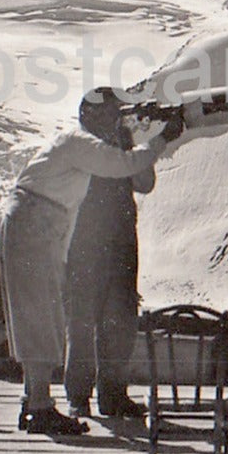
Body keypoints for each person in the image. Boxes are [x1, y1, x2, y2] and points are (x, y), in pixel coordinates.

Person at [0, 88, 182, 435]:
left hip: (69, 229)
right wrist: (162, 139)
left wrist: (134, 141)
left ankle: (37, 400)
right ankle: (48, 404)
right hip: (60, 231)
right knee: (51, 315)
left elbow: (141, 179)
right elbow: (126, 166)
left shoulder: (82, 143)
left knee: (44, 314)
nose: (119, 120)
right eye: (114, 114)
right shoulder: (83, 145)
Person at [61, 115, 152, 420]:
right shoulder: (81, 146)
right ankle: (78, 396)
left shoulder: (124, 146)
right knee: (82, 321)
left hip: (121, 241)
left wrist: (134, 146)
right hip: (86, 243)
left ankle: (113, 396)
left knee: (120, 321)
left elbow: (146, 183)